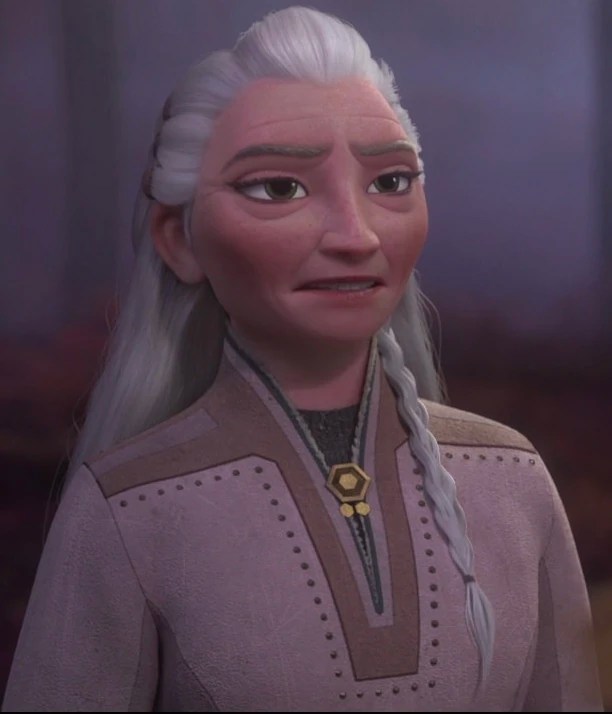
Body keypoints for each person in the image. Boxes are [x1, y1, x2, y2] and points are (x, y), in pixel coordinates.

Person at [2, 5, 602, 712]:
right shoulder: (133, 506)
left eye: (390, 182)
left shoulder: (509, 480)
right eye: (279, 188)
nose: (356, 235)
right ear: (180, 239)